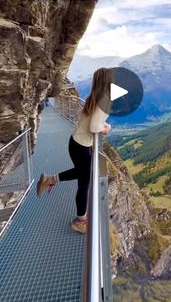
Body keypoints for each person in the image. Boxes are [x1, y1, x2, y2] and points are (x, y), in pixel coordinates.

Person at [36, 68, 112, 234]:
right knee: (84, 183)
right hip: (83, 147)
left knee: (81, 173)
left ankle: (50, 179)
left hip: (76, 143)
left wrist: (101, 125)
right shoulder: (104, 101)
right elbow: (94, 126)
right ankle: (80, 221)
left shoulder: (93, 98)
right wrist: (106, 128)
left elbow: (91, 122)